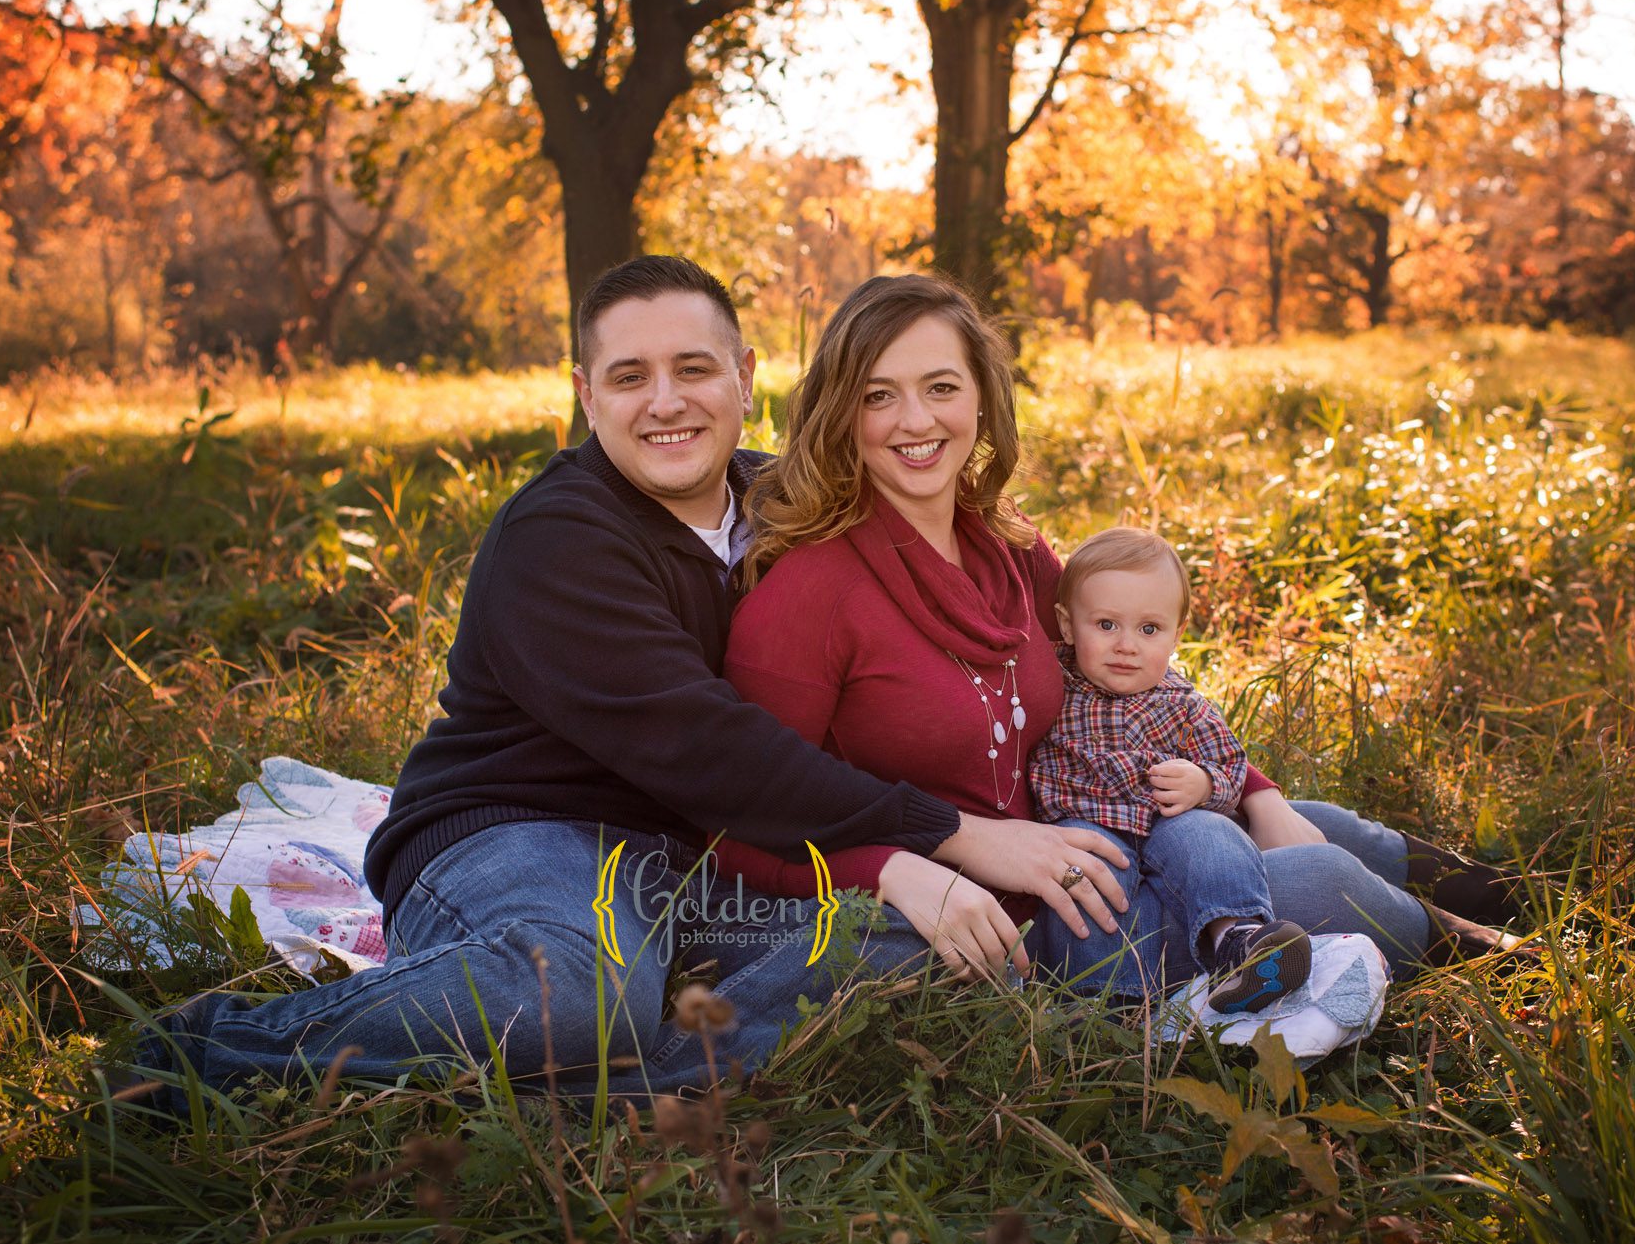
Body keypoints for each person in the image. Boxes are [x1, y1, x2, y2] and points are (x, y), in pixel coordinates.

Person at [127, 256, 1139, 1109]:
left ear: (746, 377)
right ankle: (205, 1055)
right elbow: (710, 748)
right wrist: (939, 834)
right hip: (524, 838)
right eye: (629, 376)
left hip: (700, 862)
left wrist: (924, 860)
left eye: (694, 368)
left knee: (934, 929)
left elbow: (954, 580)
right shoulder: (559, 540)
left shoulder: (785, 500)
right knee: (570, 984)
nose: (665, 401)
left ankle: (624, 1090)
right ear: (586, 393)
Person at [712, 272, 1522, 1011]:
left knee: (1317, 821)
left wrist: (1258, 791)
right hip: (1043, 917)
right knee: (1315, 875)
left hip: (1106, 828)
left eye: (941, 387)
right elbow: (741, 833)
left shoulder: (1007, 545)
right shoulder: (805, 598)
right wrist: (903, 870)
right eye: (879, 395)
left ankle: (1535, 898)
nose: (916, 421)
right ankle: (1496, 966)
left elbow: (1117, 676)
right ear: (839, 410)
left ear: (983, 401)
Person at [1028, 526, 1312, 1013]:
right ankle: (1103, 1000)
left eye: (1149, 629)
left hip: (1167, 821)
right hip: (1084, 823)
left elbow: (1230, 770)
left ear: (1177, 636)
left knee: (1211, 836)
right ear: (1068, 625)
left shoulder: (1183, 705)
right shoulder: (1051, 685)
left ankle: (1238, 941)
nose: (1126, 646)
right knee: (1082, 878)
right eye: (1106, 625)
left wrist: (1202, 783)